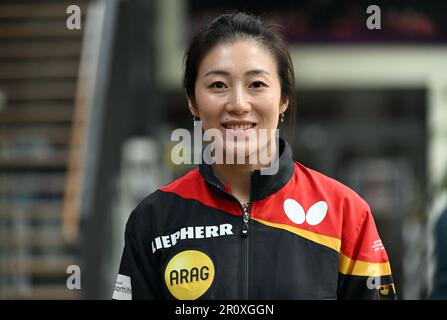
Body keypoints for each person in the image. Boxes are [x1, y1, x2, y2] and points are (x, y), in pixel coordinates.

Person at [113, 12, 396, 300]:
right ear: (192, 101)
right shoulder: (153, 219)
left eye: (256, 85)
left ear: (284, 99)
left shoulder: (347, 214)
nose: (238, 104)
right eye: (218, 85)